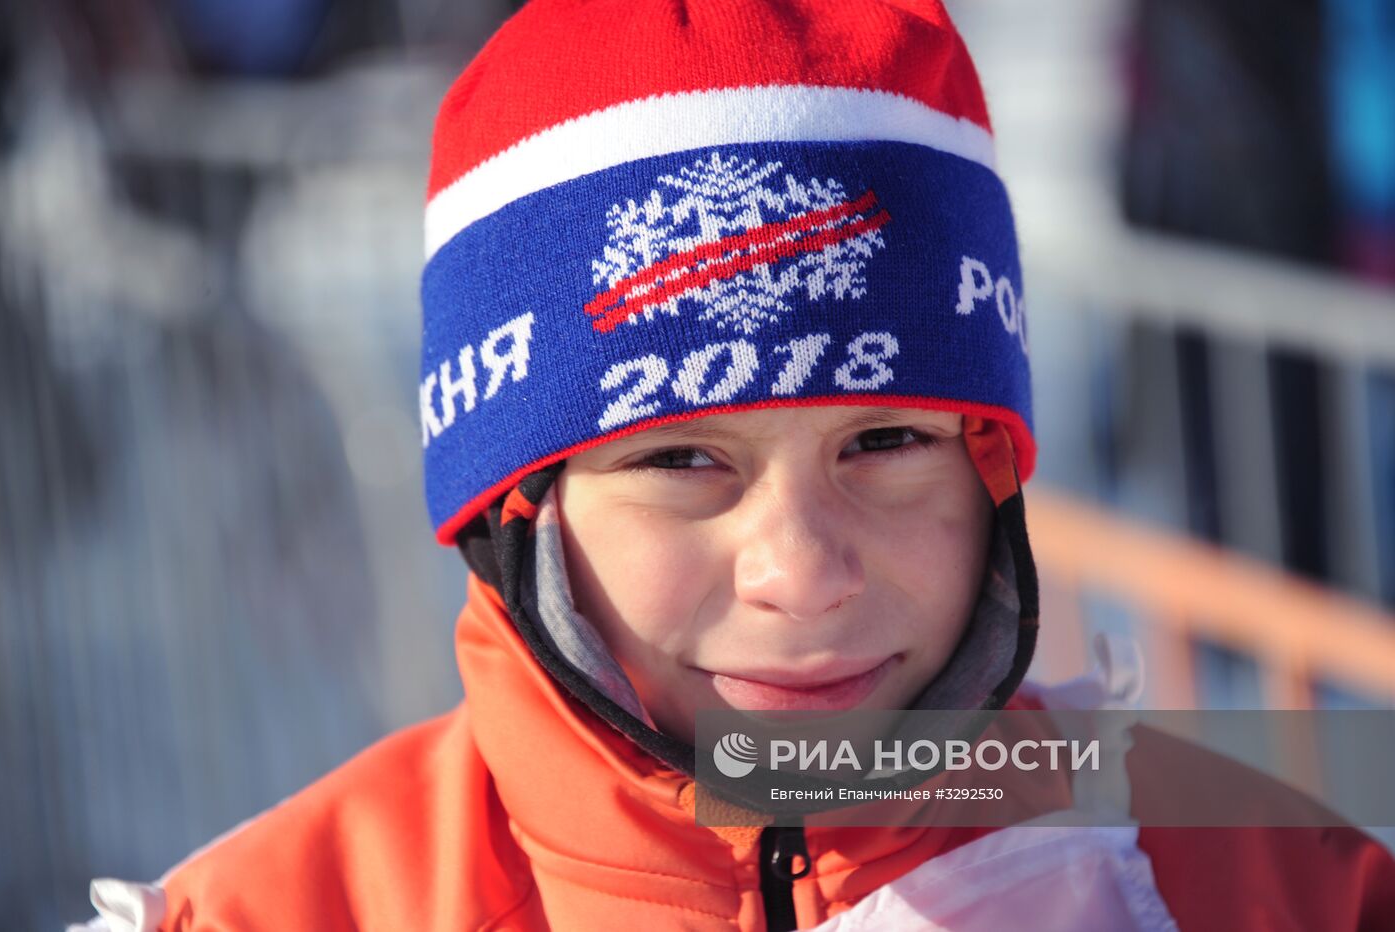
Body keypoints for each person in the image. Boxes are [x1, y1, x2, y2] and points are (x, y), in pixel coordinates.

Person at [78, 1, 1395, 929]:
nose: (803, 574)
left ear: (988, 466)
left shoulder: (1256, 880)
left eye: (884, 441)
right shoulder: (280, 913)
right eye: (685, 458)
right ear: (518, 504)